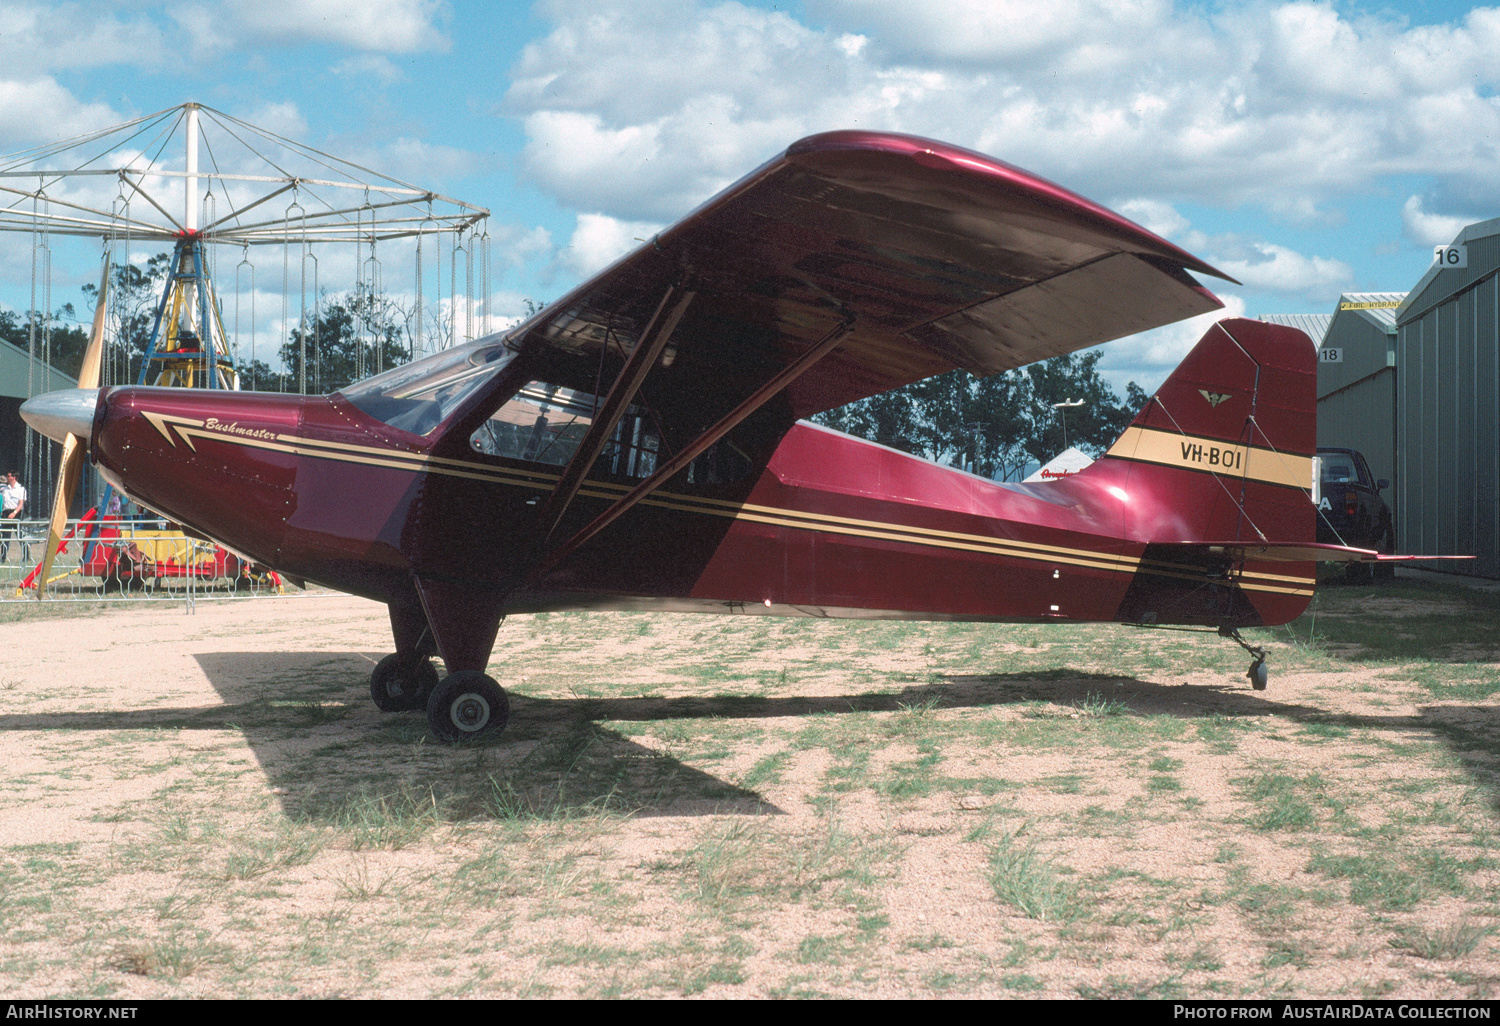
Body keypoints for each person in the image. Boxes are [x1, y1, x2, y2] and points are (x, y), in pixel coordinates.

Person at [1, 470, 27, 563]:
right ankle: (3, 557)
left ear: (14, 477)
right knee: (5, 537)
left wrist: (14, 513)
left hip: (16, 513)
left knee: (20, 536)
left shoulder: (21, 489)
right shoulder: (5, 489)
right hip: (6, 513)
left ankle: (27, 555)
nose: (7, 478)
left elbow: (21, 503)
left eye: (8, 476)